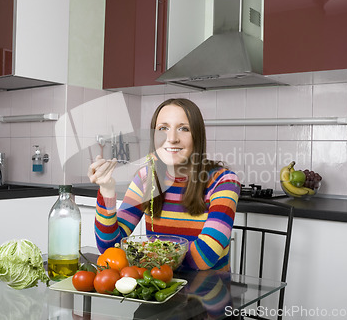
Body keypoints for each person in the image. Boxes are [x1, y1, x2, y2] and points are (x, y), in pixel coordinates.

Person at [88, 98, 240, 271]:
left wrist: (145, 255)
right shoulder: (146, 178)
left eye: (184, 129)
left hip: (208, 293)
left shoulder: (224, 181)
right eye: (163, 129)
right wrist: (107, 190)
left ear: (197, 136)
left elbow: (203, 257)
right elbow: (110, 247)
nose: (172, 138)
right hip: (156, 290)